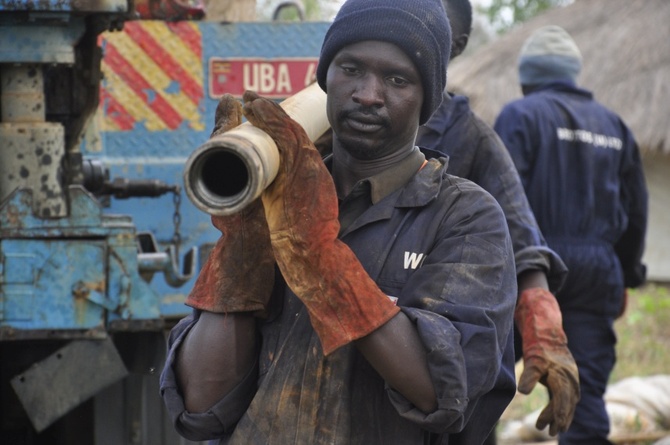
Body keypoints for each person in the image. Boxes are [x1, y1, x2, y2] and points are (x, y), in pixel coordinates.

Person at [160, 0, 518, 443]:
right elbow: (200, 405)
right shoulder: (276, 206)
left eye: (397, 79)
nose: (368, 94)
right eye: (350, 69)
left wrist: (317, 253)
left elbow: (439, 389)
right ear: (325, 78)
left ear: (427, 96)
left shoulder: (465, 217)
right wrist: (245, 243)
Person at [417, 1, 581, 442]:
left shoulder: (471, 138)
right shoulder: (329, 123)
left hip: (444, 354)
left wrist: (545, 332)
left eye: (433, 24)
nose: (413, 28)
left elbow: (522, 240)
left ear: (458, 46)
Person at [493, 25, 648, 445]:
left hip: (532, 270)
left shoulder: (519, 116)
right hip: (598, 272)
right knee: (582, 397)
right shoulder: (614, 124)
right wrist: (627, 275)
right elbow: (636, 210)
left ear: (529, 76)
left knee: (483, 384)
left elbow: (498, 200)